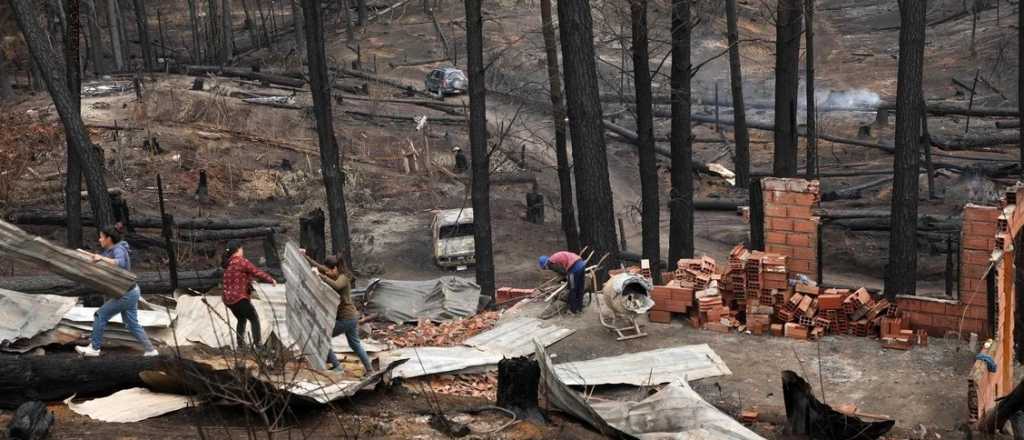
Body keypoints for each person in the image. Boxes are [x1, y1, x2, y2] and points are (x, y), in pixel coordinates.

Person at [75, 226, 158, 357]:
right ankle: (151, 350)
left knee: (100, 315)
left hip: (126, 293)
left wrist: (101, 259)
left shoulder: (119, 249)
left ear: (109, 238)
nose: (99, 239)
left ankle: (94, 348)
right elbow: (98, 260)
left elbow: (119, 262)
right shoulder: (109, 251)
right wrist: (84, 255)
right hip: (131, 291)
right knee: (131, 324)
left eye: (101, 237)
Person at [305, 252, 373, 374]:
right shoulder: (335, 273)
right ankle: (370, 370)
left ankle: (337, 366)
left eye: (329, 271)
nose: (327, 273)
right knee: (355, 345)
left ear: (335, 268)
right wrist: (305, 256)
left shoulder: (344, 277)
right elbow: (320, 267)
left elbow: (336, 285)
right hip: (350, 317)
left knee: (322, 336)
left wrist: (320, 276)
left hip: (346, 318)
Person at [221, 240, 277, 349]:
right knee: (254, 318)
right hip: (239, 297)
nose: (243, 251)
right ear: (237, 250)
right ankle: (258, 345)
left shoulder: (228, 264)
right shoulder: (241, 261)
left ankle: (240, 346)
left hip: (228, 300)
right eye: (241, 249)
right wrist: (271, 280)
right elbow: (256, 271)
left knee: (241, 319)